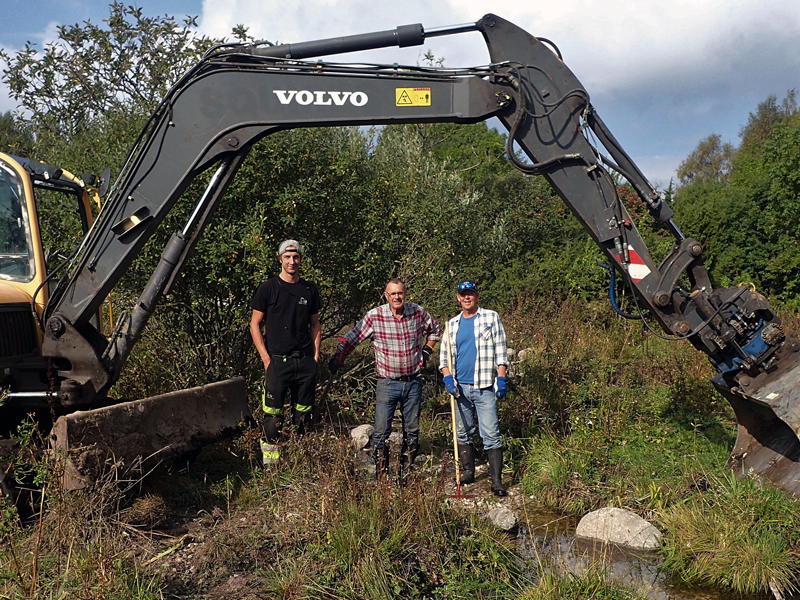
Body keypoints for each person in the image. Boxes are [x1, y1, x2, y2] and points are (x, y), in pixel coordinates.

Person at [330, 278, 440, 477]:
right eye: (393, 294)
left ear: (405, 294)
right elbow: (352, 338)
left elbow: (435, 330)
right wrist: (339, 357)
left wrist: (426, 351)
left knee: (412, 431)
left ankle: (405, 471)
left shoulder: (417, 312)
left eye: (400, 293)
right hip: (387, 383)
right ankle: (382, 474)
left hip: (413, 382)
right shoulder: (375, 316)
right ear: (386, 295)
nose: (397, 297)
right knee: (381, 432)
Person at [250, 239, 321, 465]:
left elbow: (315, 325)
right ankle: (271, 465)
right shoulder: (268, 288)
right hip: (277, 362)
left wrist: (316, 356)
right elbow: (254, 324)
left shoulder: (309, 290)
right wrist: (265, 357)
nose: (292, 261)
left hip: (304, 362)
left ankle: (299, 460)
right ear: (280, 259)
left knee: (303, 416)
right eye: (287, 257)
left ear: (300, 259)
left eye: (296, 256)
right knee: (273, 416)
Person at [439, 280, 509, 496]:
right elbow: (444, 358)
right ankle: (468, 472)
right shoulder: (452, 325)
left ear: (477, 296)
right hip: (460, 390)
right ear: (458, 298)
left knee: (491, 433)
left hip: (484, 386)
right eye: (463, 294)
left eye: (470, 293)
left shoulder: (490, 317)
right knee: (462, 432)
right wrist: (448, 378)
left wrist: (502, 378)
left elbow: (501, 350)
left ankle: (496, 482)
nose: (467, 297)